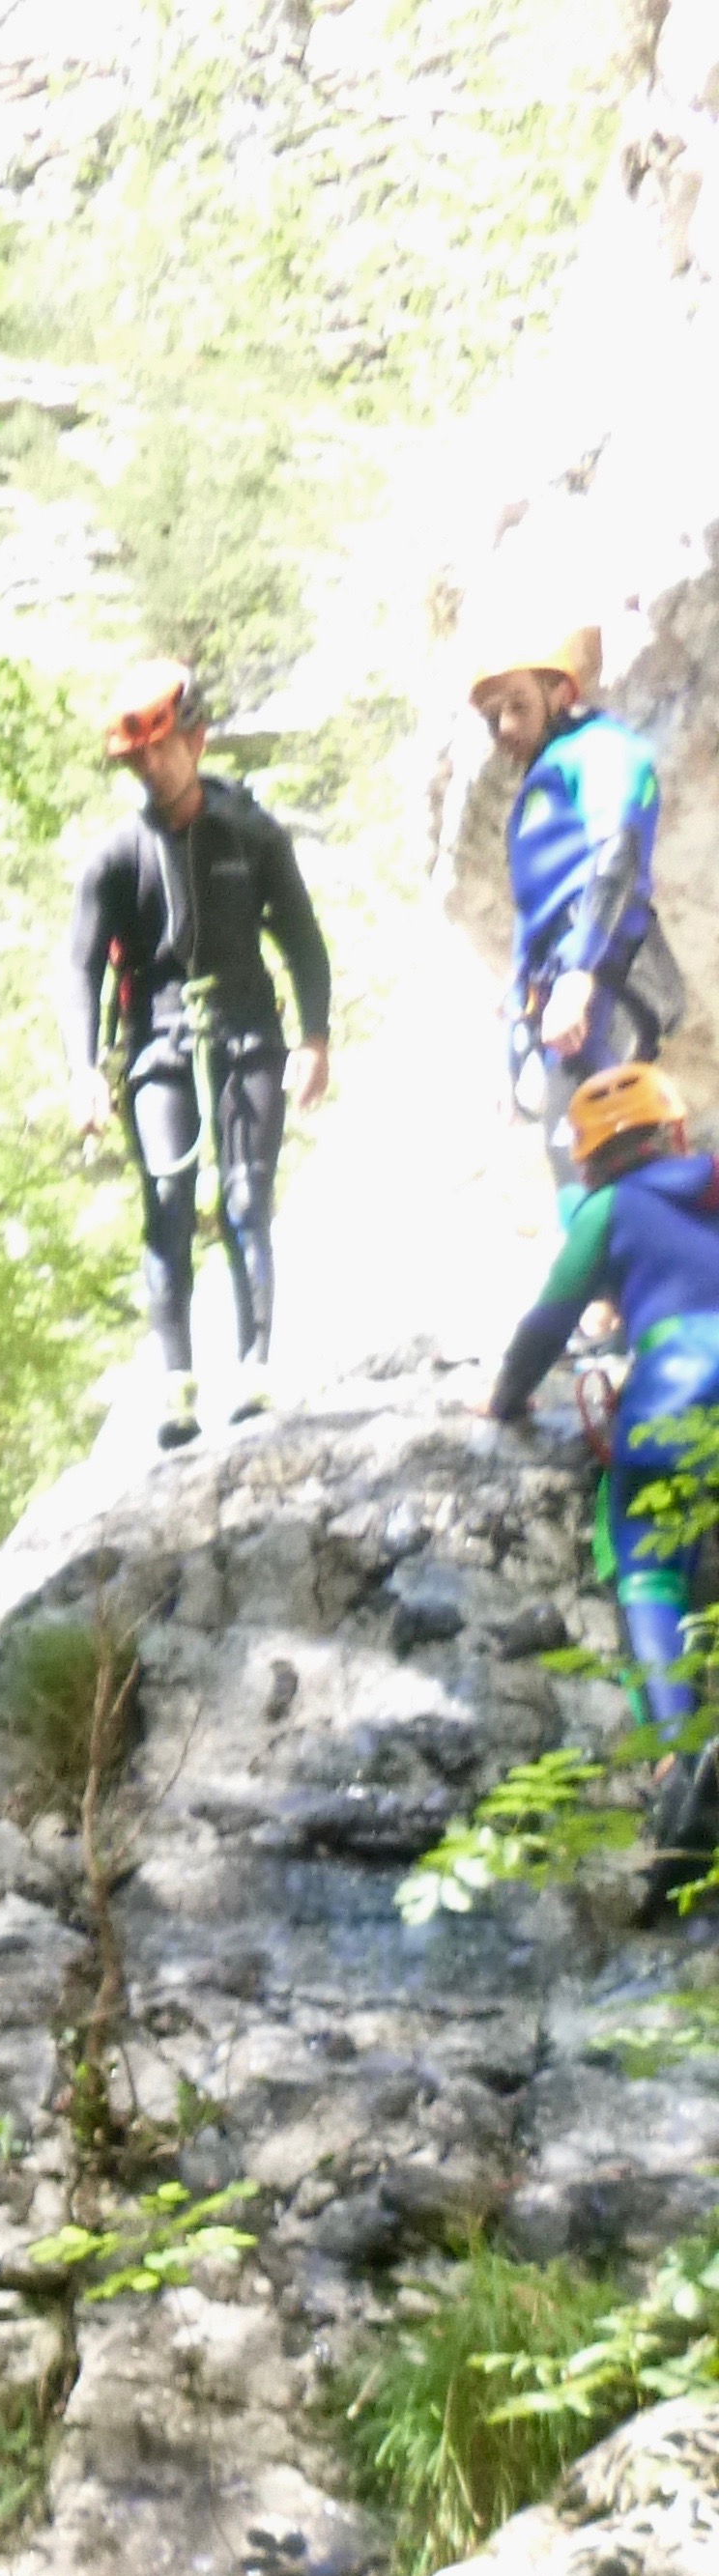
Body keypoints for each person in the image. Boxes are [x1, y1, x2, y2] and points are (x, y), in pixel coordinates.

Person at [61, 657, 331, 1449]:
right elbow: (77, 965)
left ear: (197, 738)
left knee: (248, 1199)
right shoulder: (116, 855)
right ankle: (176, 1387)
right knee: (168, 1207)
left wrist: (315, 1036)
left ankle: (255, 1369)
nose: (151, 766)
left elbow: (303, 941)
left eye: (162, 749)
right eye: (136, 757)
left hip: (249, 1025)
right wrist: (83, 1070)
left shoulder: (251, 832)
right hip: (157, 1039)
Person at [480, 1059, 719, 1909]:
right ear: (677, 1132)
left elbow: (547, 1321)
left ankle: (678, 1757)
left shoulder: (604, 1210)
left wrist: (503, 1400)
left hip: (676, 1386)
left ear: (588, 1165)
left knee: (647, 1563)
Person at [467, 616, 672, 1195]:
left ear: (563, 694)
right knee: (580, 1172)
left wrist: (581, 972)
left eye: (517, 707)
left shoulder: (602, 749)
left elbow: (619, 852)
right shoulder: (541, 787)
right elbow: (537, 915)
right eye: (491, 717)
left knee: (603, 1177)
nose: (503, 727)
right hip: (566, 992)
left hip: (607, 977)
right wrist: (513, 1039)